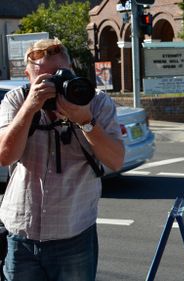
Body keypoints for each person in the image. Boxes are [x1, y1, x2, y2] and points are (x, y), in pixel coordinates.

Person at [0, 38, 124, 280]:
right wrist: (30, 108)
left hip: (73, 235)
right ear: (28, 77)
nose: (55, 86)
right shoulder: (16, 100)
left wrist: (85, 120)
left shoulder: (96, 103)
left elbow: (116, 160)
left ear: (71, 71)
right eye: (45, 80)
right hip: (20, 235)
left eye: (59, 75)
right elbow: (5, 156)